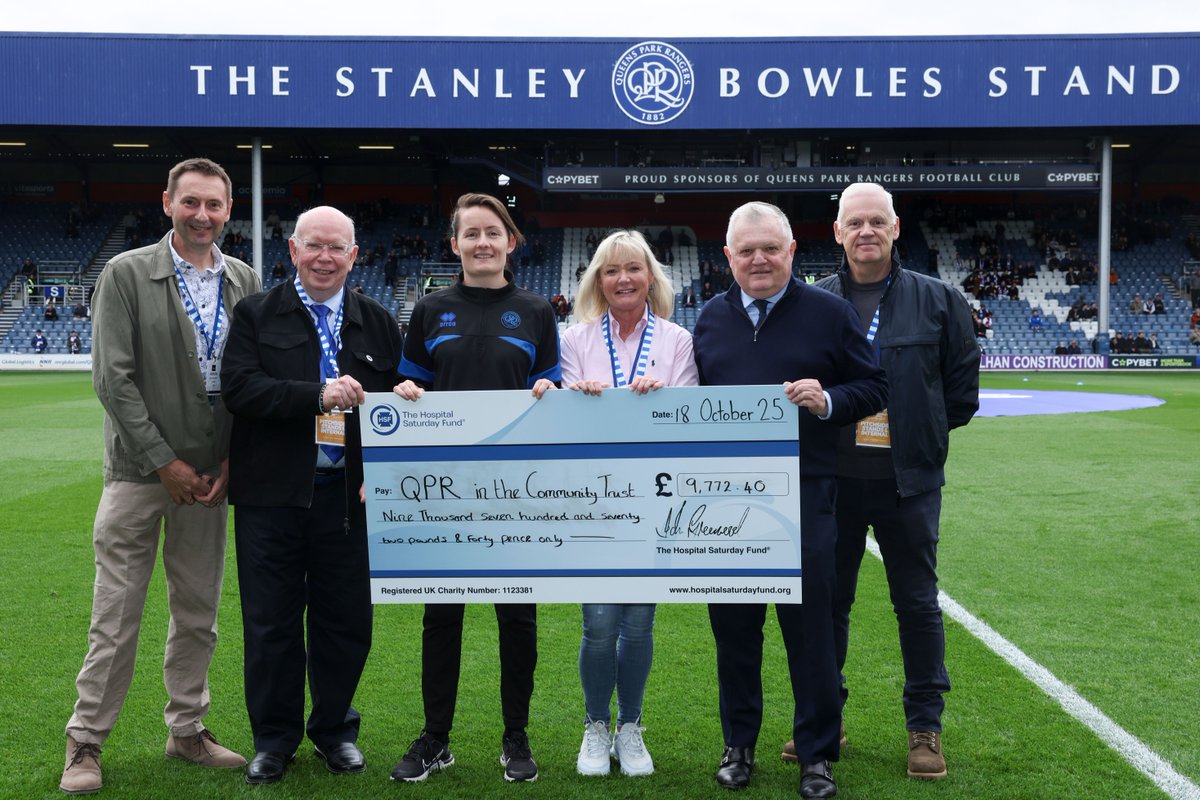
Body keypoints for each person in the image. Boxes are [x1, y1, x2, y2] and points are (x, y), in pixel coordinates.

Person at [59, 158, 258, 795]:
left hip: (210, 477)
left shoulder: (243, 278)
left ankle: (187, 730)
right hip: (139, 475)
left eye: (215, 205)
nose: (203, 216)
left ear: (229, 211)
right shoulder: (125, 273)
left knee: (198, 613)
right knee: (115, 614)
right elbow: (111, 380)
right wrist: (161, 461)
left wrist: (230, 458)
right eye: (191, 203)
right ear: (167, 202)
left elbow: (248, 383)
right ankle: (85, 742)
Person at [692, 201, 887, 798]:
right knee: (734, 627)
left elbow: (874, 384)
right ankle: (739, 744)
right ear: (728, 256)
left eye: (770, 248)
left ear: (791, 251)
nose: (758, 260)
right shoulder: (708, 320)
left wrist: (827, 400)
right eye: (746, 250)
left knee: (811, 630)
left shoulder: (830, 313)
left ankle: (817, 754)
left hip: (806, 491)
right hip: (724, 501)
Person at [787, 183, 979, 781]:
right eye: (855, 222)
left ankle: (925, 726)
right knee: (827, 606)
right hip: (830, 480)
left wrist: (914, 432)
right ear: (837, 232)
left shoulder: (941, 300)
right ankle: (826, 719)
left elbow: (960, 396)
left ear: (896, 229)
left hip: (909, 481)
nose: (866, 231)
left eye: (878, 221)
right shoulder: (809, 302)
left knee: (917, 605)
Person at [220, 206, 402, 785]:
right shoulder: (255, 313)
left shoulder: (377, 321)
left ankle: (333, 731)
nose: (325, 257)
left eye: (337, 247)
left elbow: (396, 406)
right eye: (313, 246)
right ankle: (273, 740)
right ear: (293, 251)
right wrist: (316, 395)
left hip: (349, 499)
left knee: (344, 621)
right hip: (272, 496)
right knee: (270, 623)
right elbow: (241, 390)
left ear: (355, 256)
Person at [390, 193, 561, 784]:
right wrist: (408, 396)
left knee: (517, 618)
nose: (483, 243)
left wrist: (549, 393)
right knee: (442, 616)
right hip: (447, 492)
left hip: (519, 493)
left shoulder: (537, 310)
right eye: (471, 234)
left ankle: (516, 736)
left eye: (493, 232)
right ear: (455, 244)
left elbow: (550, 387)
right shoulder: (430, 310)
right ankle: (436, 737)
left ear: (510, 241)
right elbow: (409, 388)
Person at [558, 230, 699, 778]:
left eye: (633, 269)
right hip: (593, 500)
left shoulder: (678, 341)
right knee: (597, 623)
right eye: (611, 270)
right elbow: (563, 422)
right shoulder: (573, 341)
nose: (623, 279)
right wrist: (580, 399)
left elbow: (687, 417)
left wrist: (657, 398)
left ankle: (631, 726)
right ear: (598, 279)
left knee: (639, 624)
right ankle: (596, 725)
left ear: (650, 277)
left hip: (653, 503)